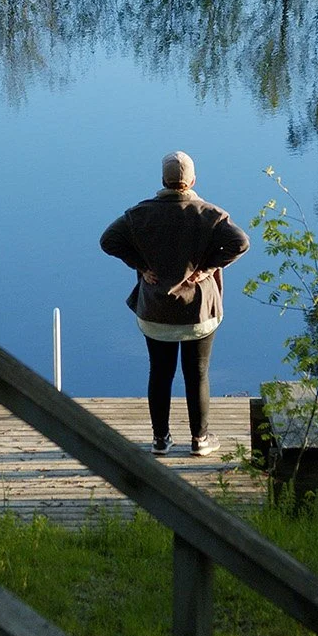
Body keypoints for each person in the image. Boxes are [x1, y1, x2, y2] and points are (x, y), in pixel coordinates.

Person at [99, 151, 250, 456]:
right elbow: (241, 242)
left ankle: (159, 440)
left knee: (160, 372)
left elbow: (108, 241)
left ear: (162, 180)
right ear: (192, 180)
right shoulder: (210, 214)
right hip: (199, 313)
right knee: (197, 374)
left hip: (155, 310)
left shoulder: (139, 214)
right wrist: (205, 269)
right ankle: (200, 440)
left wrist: (140, 265)